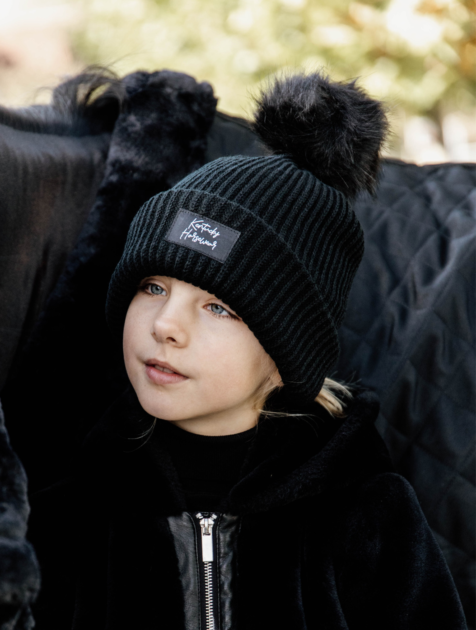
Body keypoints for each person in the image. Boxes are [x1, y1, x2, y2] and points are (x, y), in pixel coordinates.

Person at [34, 73, 468, 629]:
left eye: (219, 308)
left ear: (288, 345)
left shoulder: (365, 513)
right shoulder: (73, 514)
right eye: (153, 287)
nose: (166, 324)